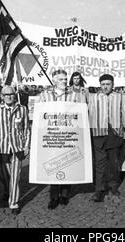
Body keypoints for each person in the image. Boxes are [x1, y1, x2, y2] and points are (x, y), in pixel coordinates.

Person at [39, 70, 86, 209]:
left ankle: (65, 194)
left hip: (69, 135)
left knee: (68, 163)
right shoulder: (44, 95)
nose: (65, 82)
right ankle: (54, 196)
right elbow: (40, 116)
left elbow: (82, 114)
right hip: (52, 136)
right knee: (54, 165)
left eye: (65, 79)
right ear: (54, 81)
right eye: (61, 79)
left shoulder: (75, 95)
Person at [88, 74, 125, 202]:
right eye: (103, 84)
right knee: (99, 164)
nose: (105, 87)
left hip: (114, 134)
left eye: (108, 84)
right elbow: (89, 115)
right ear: (100, 85)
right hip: (98, 134)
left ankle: (113, 187)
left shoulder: (121, 97)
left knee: (114, 163)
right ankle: (99, 190)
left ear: (113, 85)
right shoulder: (93, 98)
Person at [0, 86, 30, 215]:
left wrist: (26, 146)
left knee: (15, 177)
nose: (9, 96)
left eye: (11, 94)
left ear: (15, 95)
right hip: (1, 149)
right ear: (1, 96)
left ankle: (14, 203)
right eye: (6, 94)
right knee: (4, 176)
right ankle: (7, 191)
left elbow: (26, 129)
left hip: (16, 148)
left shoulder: (22, 109)